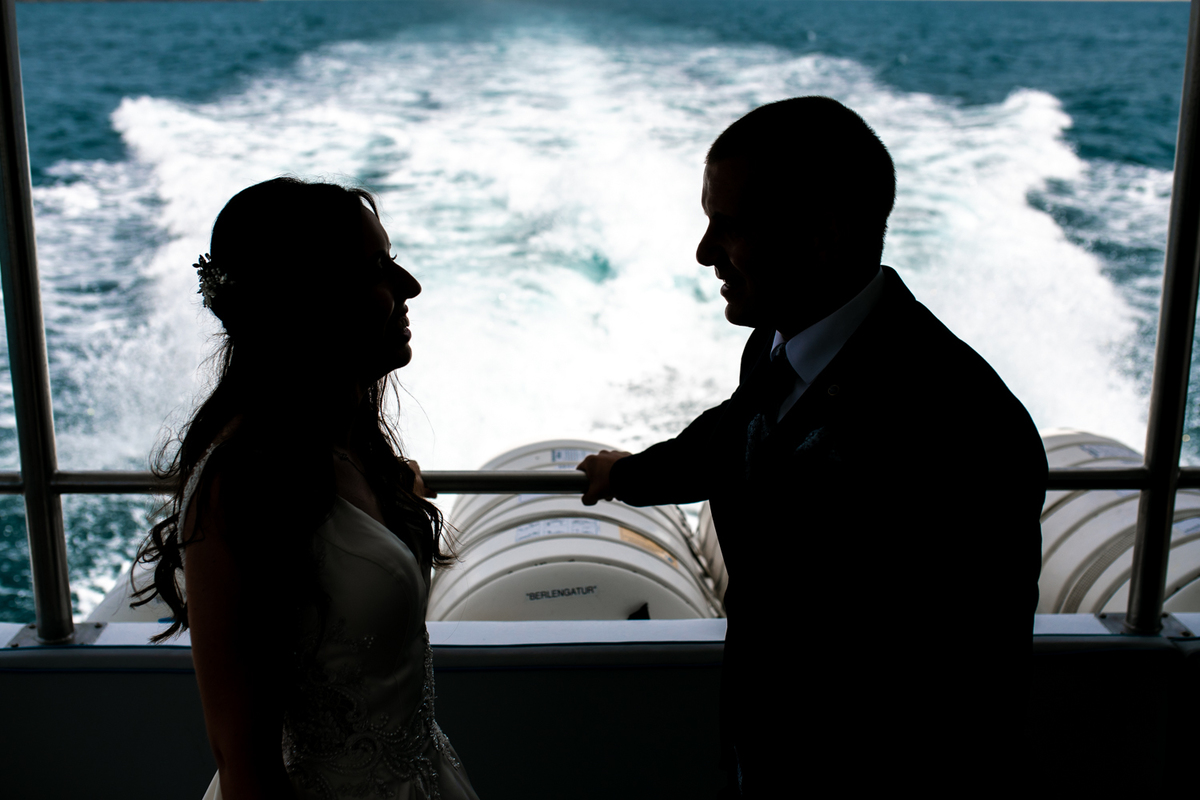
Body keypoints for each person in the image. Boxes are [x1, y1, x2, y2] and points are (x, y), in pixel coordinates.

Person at [577, 97, 1047, 796]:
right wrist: (628, 475)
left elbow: (969, 678)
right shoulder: (778, 341)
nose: (704, 252)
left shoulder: (965, 426)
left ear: (825, 235)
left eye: (730, 227)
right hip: (765, 740)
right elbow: (736, 433)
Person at [132, 177, 478, 800]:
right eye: (378, 269)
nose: (410, 286)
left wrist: (396, 500)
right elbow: (244, 763)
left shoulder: (348, 440)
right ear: (309, 305)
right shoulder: (240, 485)